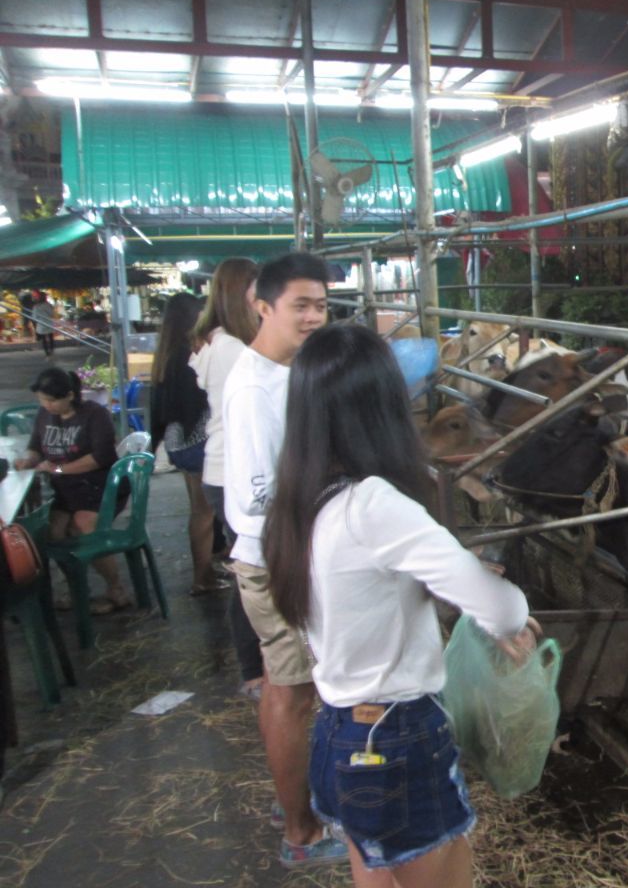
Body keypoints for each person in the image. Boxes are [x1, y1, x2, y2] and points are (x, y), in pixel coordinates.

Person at [264, 323, 537, 888]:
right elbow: (500, 608)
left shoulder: (301, 499)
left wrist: (440, 576)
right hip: (399, 736)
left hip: (339, 731)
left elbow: (363, 585)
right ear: (382, 408)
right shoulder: (375, 503)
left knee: (377, 871)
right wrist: (503, 611)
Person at [222, 252, 345, 867]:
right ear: (261, 305)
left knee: (287, 686)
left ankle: (290, 800)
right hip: (276, 558)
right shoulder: (252, 387)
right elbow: (258, 497)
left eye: (321, 305)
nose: (314, 316)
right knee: (292, 693)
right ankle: (300, 834)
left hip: (287, 549)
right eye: (301, 305)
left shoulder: (292, 371)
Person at [190, 259, 264, 696]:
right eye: (257, 292)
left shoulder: (215, 341)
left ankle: (255, 662)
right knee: (250, 569)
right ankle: (252, 668)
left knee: (251, 565)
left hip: (223, 467)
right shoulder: (234, 347)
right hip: (233, 470)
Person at [13, 367, 131, 614]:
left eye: (51, 400)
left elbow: (101, 457)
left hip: (98, 486)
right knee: (53, 531)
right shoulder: (45, 416)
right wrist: (28, 460)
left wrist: (57, 469)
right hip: (66, 491)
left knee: (83, 526)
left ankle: (116, 588)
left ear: (69, 395)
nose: (47, 405)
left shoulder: (95, 414)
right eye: (43, 400)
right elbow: (35, 446)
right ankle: (77, 585)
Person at [150, 292, 229, 598]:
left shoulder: (166, 355)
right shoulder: (191, 357)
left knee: (200, 511)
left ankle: (209, 565)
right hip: (199, 444)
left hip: (177, 442)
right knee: (204, 513)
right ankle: (203, 577)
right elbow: (204, 403)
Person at [31, 293, 56, 358]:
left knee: (44, 339)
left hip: (41, 324)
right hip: (49, 323)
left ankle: (47, 353)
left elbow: (34, 317)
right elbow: (52, 314)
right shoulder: (48, 305)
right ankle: (52, 351)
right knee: (51, 338)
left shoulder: (36, 306)